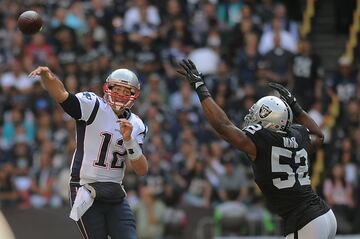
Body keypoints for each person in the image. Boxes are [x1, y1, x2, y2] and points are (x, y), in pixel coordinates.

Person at [178, 59, 337, 239]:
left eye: (257, 113)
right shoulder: (297, 133)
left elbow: (223, 126)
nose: (252, 117)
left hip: (305, 221)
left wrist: (200, 87)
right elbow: (319, 136)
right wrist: (296, 106)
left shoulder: (262, 140)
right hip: (324, 215)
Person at [29, 66, 148, 239]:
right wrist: (48, 76)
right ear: (108, 88)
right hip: (85, 188)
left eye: (126, 91)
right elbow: (62, 95)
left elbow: (142, 170)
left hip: (115, 192)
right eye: (117, 89)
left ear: (134, 95)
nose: (120, 94)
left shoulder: (136, 125)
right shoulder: (93, 105)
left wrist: (129, 141)